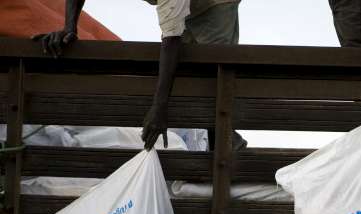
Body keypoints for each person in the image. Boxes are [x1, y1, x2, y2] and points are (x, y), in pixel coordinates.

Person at [37, 0, 243, 150]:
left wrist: (159, 109)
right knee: (184, 81)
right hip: (183, 7)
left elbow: (171, 40)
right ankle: (211, 144)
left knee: (214, 79)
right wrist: (69, 27)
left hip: (216, 3)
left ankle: (228, 147)